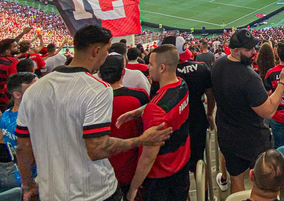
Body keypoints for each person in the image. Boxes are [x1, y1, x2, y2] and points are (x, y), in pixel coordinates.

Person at [15, 25, 172, 201]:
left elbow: (22, 147)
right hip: (94, 192)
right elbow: (97, 148)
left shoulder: (34, 90)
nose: (106, 56)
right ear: (97, 50)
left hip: (51, 192)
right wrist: (141, 140)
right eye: (106, 51)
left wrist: (28, 185)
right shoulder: (97, 89)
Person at [212, 29, 284, 193]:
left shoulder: (218, 64)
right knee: (265, 182)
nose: (254, 52)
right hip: (252, 138)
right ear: (235, 50)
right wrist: (282, 82)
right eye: (248, 50)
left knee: (236, 180)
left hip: (227, 135)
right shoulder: (249, 77)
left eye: (254, 47)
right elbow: (268, 111)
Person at [127, 45, 190, 201]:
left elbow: (148, 157)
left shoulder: (156, 109)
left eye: (151, 64)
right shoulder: (182, 85)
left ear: (162, 68)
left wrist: (133, 188)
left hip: (160, 179)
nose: (149, 67)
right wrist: (142, 110)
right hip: (182, 168)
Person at [98, 53, 149, 196]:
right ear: (123, 72)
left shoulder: (91, 101)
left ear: (100, 74)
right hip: (132, 169)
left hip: (102, 172)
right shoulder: (139, 96)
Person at [0, 72, 38, 191]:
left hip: (17, 172)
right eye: (34, 87)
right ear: (17, 94)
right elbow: (26, 151)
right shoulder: (25, 121)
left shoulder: (6, 115)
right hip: (32, 177)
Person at [174, 36, 215, 172]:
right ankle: (204, 191)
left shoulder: (166, 73)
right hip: (197, 117)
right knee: (199, 163)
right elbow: (210, 93)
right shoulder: (201, 67)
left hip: (176, 122)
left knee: (179, 166)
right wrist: (209, 114)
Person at [0, 38, 20, 110]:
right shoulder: (13, 62)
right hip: (7, 98)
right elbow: (14, 81)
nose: (18, 47)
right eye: (15, 46)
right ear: (7, 51)